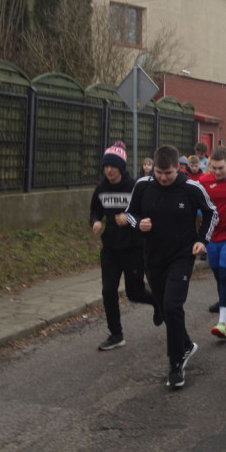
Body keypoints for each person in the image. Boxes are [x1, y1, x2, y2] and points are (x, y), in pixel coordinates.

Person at [126, 145, 217, 390]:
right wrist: (138, 224)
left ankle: (176, 363)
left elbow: (211, 213)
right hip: (153, 257)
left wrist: (201, 240)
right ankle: (185, 344)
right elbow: (130, 214)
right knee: (166, 310)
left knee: (172, 305)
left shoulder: (191, 187)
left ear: (178, 167)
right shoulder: (143, 185)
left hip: (181, 256)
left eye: (168, 173)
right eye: (159, 172)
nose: (163, 177)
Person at [89, 141, 157, 350]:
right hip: (110, 248)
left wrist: (130, 219)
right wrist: (96, 222)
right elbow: (94, 211)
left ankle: (158, 303)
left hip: (133, 248)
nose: (109, 170)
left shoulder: (134, 187)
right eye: (106, 166)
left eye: (113, 166)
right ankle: (116, 334)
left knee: (134, 293)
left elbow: (147, 214)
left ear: (121, 167)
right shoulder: (101, 189)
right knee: (108, 291)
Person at [198, 147, 226, 341]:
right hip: (212, 236)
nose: (216, 172)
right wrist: (205, 217)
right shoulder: (204, 181)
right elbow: (197, 207)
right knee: (218, 274)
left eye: (221, 168)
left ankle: (222, 323)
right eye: (213, 168)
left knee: (225, 275)